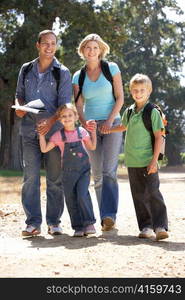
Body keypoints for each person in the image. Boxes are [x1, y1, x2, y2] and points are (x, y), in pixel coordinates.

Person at [15, 29, 72, 237]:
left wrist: (51, 121)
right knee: (30, 177)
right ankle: (33, 223)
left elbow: (65, 103)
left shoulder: (62, 72)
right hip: (29, 131)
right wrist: (20, 107)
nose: (49, 47)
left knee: (55, 178)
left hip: (54, 134)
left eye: (53, 43)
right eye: (45, 43)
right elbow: (19, 96)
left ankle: (54, 222)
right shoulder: (26, 69)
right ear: (37, 45)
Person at [102, 73, 169, 241]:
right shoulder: (130, 111)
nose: (138, 93)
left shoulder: (152, 111)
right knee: (138, 195)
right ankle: (146, 227)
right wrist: (109, 129)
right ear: (131, 91)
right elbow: (123, 126)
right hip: (133, 161)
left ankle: (160, 226)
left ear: (149, 91)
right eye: (135, 90)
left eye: (142, 90)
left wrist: (154, 161)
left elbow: (159, 137)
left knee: (153, 192)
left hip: (148, 160)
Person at [72, 33, 124, 231]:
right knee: (97, 174)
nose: (91, 51)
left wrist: (110, 121)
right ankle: (104, 217)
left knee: (109, 171)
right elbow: (78, 103)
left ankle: (108, 215)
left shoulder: (111, 68)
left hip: (112, 124)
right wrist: (85, 123)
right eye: (88, 47)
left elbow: (120, 98)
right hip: (91, 127)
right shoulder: (79, 76)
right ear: (83, 50)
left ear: (101, 49)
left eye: (95, 47)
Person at [39, 103, 97, 237]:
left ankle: (89, 223)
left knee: (82, 194)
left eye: (70, 115)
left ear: (76, 116)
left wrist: (93, 132)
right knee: (71, 199)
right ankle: (78, 227)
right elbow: (44, 149)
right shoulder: (58, 136)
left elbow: (92, 147)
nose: (67, 118)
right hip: (67, 173)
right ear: (59, 119)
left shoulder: (82, 132)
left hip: (83, 170)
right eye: (63, 116)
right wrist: (41, 135)